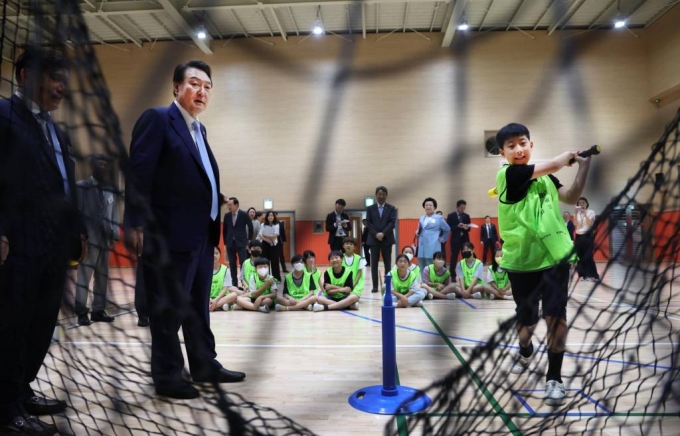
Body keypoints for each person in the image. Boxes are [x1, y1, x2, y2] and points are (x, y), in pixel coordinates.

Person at [124, 59, 245, 400]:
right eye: (194, 83)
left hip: (202, 236)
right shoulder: (159, 120)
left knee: (197, 308)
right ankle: (167, 376)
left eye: (207, 86)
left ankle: (204, 364)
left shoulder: (198, 130)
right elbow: (139, 173)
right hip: (169, 236)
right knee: (168, 310)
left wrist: (211, 192)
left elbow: (184, 173)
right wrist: (133, 221)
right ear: (176, 87)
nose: (201, 91)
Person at [0, 46, 88, 435]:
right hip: (18, 245)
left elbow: (64, 185)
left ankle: (21, 391)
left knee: (40, 326)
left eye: (63, 80)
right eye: (54, 78)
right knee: (11, 327)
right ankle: (5, 409)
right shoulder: (3, 116)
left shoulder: (55, 129)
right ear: (24, 76)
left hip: (54, 248)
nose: (61, 87)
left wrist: (76, 231)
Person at [495, 122, 590, 406]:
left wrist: (583, 166)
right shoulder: (507, 174)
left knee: (555, 316)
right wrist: (565, 157)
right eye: (511, 146)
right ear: (503, 154)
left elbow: (571, 197)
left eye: (522, 142)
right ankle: (525, 350)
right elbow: (554, 165)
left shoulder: (546, 178)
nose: (518, 149)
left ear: (530, 145)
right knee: (527, 322)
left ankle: (554, 379)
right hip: (521, 261)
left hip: (555, 258)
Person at [75, 154, 120, 326]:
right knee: (84, 278)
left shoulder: (110, 190)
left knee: (102, 277)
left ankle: (98, 310)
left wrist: (115, 235)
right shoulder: (82, 187)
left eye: (106, 165)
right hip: (87, 240)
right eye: (100, 164)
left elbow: (114, 214)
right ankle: (81, 312)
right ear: (93, 167)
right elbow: (76, 212)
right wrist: (80, 236)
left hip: (106, 240)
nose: (104, 167)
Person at [366, 186, 397, 293]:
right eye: (379, 194)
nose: (381, 196)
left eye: (383, 194)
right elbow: (368, 223)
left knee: (387, 263)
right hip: (373, 240)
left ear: (386, 195)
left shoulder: (391, 208)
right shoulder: (370, 208)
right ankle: (375, 286)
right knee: (373, 264)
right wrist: (377, 234)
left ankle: (387, 285)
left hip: (387, 239)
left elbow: (392, 223)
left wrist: (383, 233)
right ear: (376, 195)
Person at [223, 197, 253, 287]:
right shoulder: (227, 215)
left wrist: (249, 241)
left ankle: (244, 284)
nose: (228, 206)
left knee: (243, 263)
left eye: (230, 205)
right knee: (232, 263)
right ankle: (234, 283)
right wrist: (225, 243)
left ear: (236, 205)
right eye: (228, 205)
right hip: (230, 243)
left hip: (241, 243)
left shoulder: (244, 214)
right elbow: (224, 230)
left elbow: (250, 227)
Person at [416, 197, 450, 271]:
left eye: (430, 205)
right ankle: (422, 281)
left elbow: (447, 229)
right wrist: (417, 233)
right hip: (422, 244)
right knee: (421, 263)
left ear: (434, 207)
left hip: (433, 244)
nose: (428, 206)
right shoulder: (422, 218)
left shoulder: (439, 218)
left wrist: (443, 239)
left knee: (431, 263)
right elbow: (419, 228)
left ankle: (431, 281)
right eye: (426, 205)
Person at [209, 247, 243, 312]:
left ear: (220, 255)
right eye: (212, 253)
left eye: (217, 253)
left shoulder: (225, 269)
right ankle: (218, 306)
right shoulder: (205, 269)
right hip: (208, 298)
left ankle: (212, 306)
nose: (214, 255)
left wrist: (216, 300)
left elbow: (225, 288)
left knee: (234, 295)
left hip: (221, 297)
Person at [574, 197, 600, 282]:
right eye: (580, 203)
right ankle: (583, 275)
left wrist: (585, 213)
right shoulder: (577, 213)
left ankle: (595, 275)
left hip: (588, 235)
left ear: (587, 204)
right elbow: (576, 225)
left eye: (583, 203)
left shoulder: (591, 212)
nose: (581, 204)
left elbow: (589, 224)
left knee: (588, 256)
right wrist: (575, 214)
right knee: (580, 256)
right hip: (578, 235)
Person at [341, 237, 367, 304]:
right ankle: (351, 304)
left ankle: (349, 302)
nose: (348, 245)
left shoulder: (359, 258)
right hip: (343, 285)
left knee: (352, 297)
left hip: (356, 284)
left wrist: (352, 285)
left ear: (354, 247)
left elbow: (359, 273)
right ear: (343, 246)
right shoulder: (340, 258)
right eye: (346, 243)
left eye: (351, 244)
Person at [258, 211, 281, 282]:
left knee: (275, 262)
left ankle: (276, 278)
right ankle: (264, 278)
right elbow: (260, 234)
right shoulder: (263, 225)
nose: (270, 217)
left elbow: (275, 235)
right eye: (269, 215)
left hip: (274, 244)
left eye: (272, 215)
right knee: (265, 261)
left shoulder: (276, 225)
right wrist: (266, 239)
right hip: (265, 244)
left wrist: (266, 235)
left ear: (274, 217)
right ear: (267, 217)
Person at [447, 200, 471, 264]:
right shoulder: (451, 216)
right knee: (454, 256)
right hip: (455, 239)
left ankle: (466, 271)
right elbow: (449, 228)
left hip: (465, 239)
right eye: (461, 208)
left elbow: (469, 229)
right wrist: (457, 226)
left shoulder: (467, 216)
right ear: (457, 207)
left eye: (464, 208)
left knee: (466, 255)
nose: (463, 209)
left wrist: (466, 228)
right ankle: (452, 272)